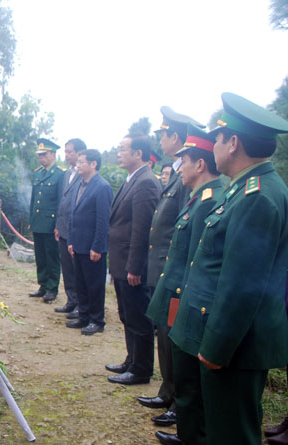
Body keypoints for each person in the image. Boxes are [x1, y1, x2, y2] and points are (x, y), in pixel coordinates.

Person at [169, 92, 288, 445]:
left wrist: (216, 347)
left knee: (231, 434)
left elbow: (242, 286)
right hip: (231, 341)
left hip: (235, 347)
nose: (213, 146)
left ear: (233, 143)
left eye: (217, 138)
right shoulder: (247, 189)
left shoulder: (258, 196)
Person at [146, 123, 223, 445]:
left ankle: (191, 433)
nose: (180, 166)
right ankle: (187, 431)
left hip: (188, 298)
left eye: (185, 160)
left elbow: (196, 262)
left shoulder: (208, 200)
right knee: (181, 368)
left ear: (199, 164)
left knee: (190, 376)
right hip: (179, 293)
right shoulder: (198, 197)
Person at [139, 107, 205, 428]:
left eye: (162, 134)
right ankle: (168, 391)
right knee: (163, 337)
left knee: (171, 337)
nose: (160, 140)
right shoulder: (177, 172)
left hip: (174, 275)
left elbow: (184, 231)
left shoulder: (187, 177)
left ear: (175, 137)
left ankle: (178, 401)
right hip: (165, 273)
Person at [106, 134, 161, 385]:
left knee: (139, 318)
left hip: (132, 264)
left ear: (139, 154)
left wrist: (135, 266)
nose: (119, 153)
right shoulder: (133, 179)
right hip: (121, 261)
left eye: (123, 149)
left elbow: (142, 228)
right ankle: (132, 359)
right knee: (126, 314)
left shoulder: (146, 181)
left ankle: (141, 369)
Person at [65, 149, 113, 335]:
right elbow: (73, 214)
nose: (78, 165)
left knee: (94, 285)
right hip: (78, 244)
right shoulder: (79, 184)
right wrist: (71, 240)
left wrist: (98, 246)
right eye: (77, 162)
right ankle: (83, 316)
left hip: (92, 247)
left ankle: (96, 320)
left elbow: (103, 221)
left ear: (93, 164)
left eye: (82, 162)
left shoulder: (102, 187)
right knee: (81, 283)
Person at [28, 138, 65, 303]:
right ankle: (42, 285)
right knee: (40, 256)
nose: (41, 158)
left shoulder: (60, 175)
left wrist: (58, 224)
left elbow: (60, 203)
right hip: (38, 222)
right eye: (39, 155)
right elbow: (33, 199)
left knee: (52, 257)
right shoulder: (37, 173)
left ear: (53, 154)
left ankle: (52, 288)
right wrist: (31, 219)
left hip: (50, 224)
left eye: (44, 154)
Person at [55, 138, 87, 316]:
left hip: (77, 230)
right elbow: (62, 201)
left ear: (80, 153)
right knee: (66, 267)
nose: (67, 155)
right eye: (66, 152)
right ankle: (71, 300)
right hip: (64, 228)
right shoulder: (67, 174)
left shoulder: (85, 174)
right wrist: (58, 226)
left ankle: (80, 304)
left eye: (70, 152)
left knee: (77, 270)